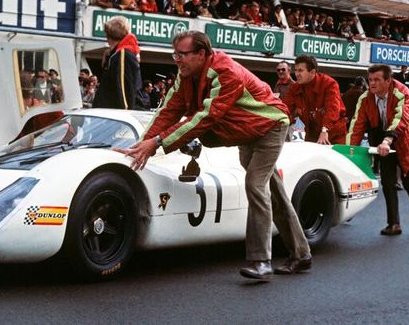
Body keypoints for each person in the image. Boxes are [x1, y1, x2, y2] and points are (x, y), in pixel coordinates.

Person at [119, 31, 310, 281]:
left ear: (201, 54)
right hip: (246, 133)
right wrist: (141, 143)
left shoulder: (226, 72)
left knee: (255, 185)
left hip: (271, 126)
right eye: (174, 54)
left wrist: (156, 143)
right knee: (272, 190)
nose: (177, 59)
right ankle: (301, 253)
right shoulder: (186, 75)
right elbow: (167, 110)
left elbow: (204, 118)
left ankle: (261, 260)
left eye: (182, 54)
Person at [347, 64, 409, 236]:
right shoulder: (365, 98)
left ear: (388, 81)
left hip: (406, 139)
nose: (372, 83)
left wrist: (387, 140)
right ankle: (394, 224)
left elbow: (401, 119)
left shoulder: (402, 91)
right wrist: (350, 150)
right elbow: (357, 126)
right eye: (370, 80)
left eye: (377, 80)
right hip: (383, 143)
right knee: (388, 183)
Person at [283, 55, 347, 145]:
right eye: (296, 70)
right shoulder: (294, 88)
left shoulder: (329, 84)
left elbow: (332, 109)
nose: (297, 74)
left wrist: (325, 129)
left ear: (312, 72)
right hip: (311, 133)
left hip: (334, 135)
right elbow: (285, 109)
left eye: (300, 70)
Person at [92, 16, 142, 110]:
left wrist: (124, 115)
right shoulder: (119, 54)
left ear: (108, 36)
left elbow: (124, 91)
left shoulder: (123, 55)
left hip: (114, 115)